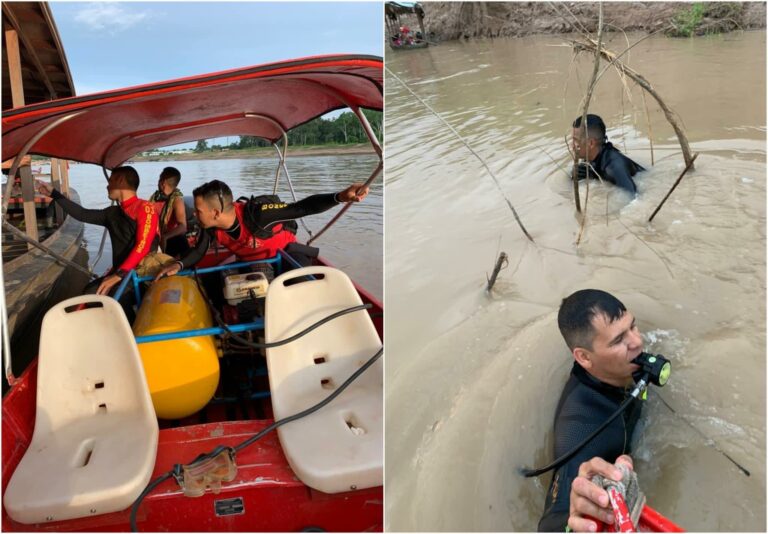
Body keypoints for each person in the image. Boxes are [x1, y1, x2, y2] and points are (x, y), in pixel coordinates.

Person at [538, 289, 645, 532]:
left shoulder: (626, 362)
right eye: (619, 340)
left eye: (634, 326)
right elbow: (552, 523)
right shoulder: (580, 431)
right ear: (584, 358)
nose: (637, 341)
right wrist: (572, 526)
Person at [154, 179, 369, 279]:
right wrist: (178, 265)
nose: (194, 215)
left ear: (216, 213)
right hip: (251, 264)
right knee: (216, 285)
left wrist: (340, 197)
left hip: (284, 256)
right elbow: (199, 251)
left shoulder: (258, 215)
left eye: (198, 211)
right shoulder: (210, 227)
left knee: (302, 280)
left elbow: (302, 207)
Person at [40, 166, 159, 297]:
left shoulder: (145, 208)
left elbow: (143, 246)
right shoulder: (111, 213)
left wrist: (119, 274)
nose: (107, 187)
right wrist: (53, 194)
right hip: (121, 272)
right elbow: (82, 214)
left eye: (110, 182)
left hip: (141, 272)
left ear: (120, 181)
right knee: (89, 291)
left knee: (117, 298)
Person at [571, 115, 645, 195]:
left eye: (576, 140)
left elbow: (634, 196)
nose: (571, 145)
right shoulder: (590, 156)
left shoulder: (613, 166)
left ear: (591, 143)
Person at [149, 166, 189, 257]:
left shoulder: (177, 200)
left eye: (159, 178)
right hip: (157, 237)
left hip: (172, 240)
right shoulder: (155, 198)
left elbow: (183, 226)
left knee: (179, 239)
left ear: (163, 182)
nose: (158, 182)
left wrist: (166, 237)